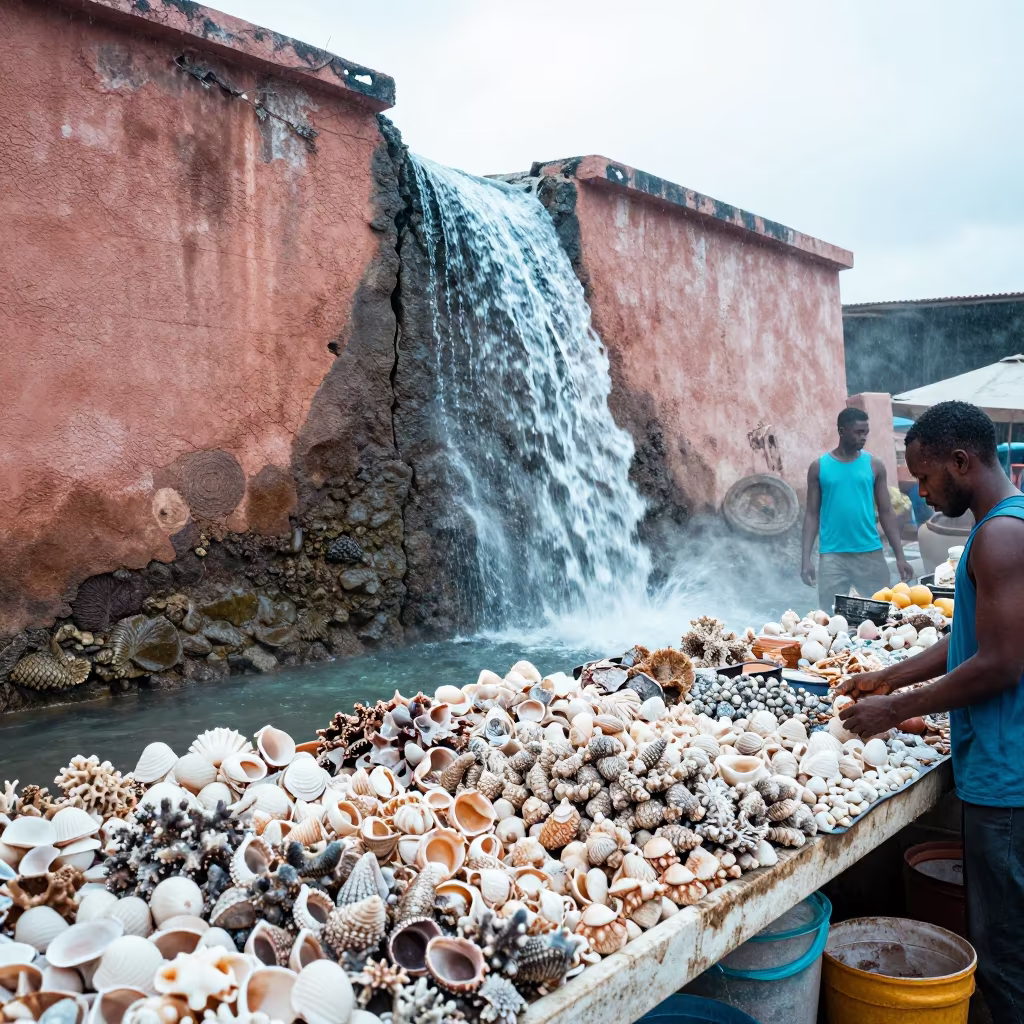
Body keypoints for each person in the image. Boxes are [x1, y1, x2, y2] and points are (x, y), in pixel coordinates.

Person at [838, 401, 1024, 1024]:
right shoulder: (1005, 524)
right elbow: (973, 638)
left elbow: (1000, 663)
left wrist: (895, 710)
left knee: (1004, 958)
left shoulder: (1000, 535)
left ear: (961, 461)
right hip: (1001, 768)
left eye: (925, 478)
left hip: (1006, 781)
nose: (919, 492)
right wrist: (890, 675)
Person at [801, 407, 913, 612]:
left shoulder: (874, 465)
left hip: (870, 553)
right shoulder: (819, 467)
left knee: (882, 613)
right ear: (842, 431)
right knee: (831, 617)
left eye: (866, 433)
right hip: (832, 557)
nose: (863, 438)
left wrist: (900, 556)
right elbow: (811, 515)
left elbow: (887, 512)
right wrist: (806, 559)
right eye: (858, 432)